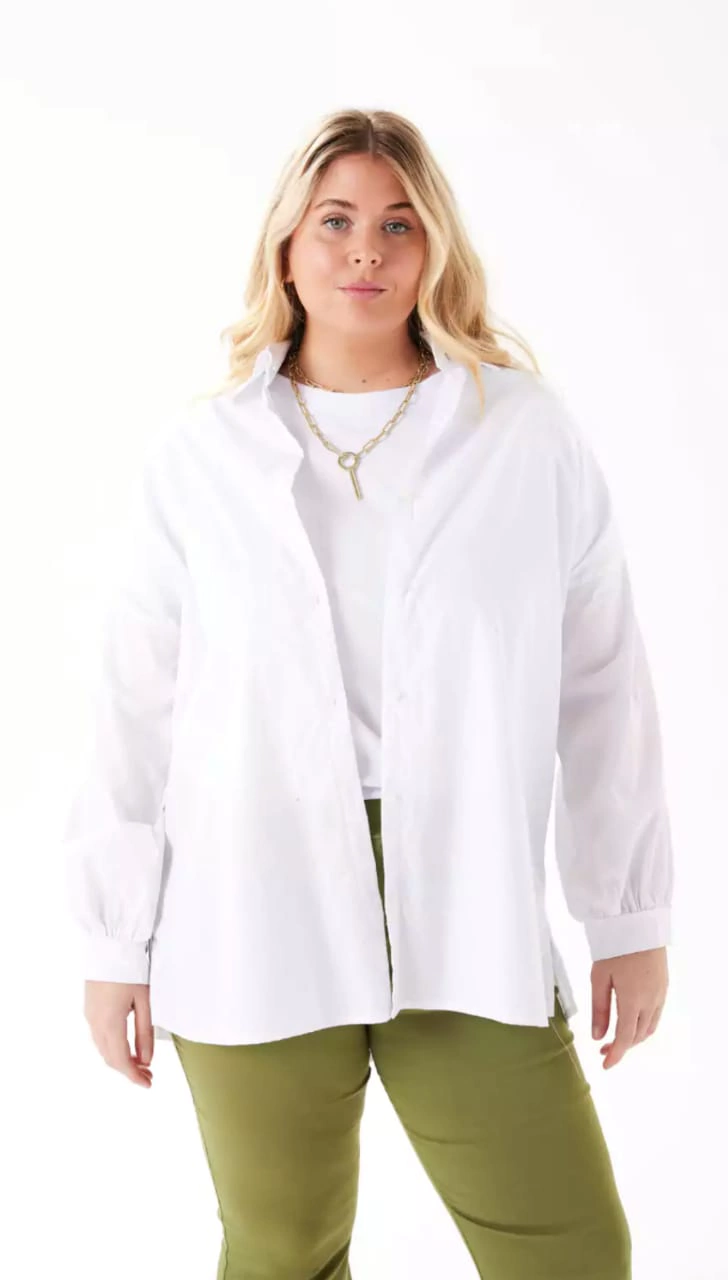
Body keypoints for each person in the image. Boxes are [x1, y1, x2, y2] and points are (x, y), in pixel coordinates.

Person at [64, 107, 674, 1279]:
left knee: (570, 1249)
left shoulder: (521, 435)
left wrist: (627, 918)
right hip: (249, 890)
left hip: (466, 886)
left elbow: (601, 680)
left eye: (398, 223)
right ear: (286, 246)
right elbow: (133, 706)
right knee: (281, 1251)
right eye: (335, 221)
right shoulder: (200, 456)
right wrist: (112, 941)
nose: (365, 250)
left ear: (434, 245)